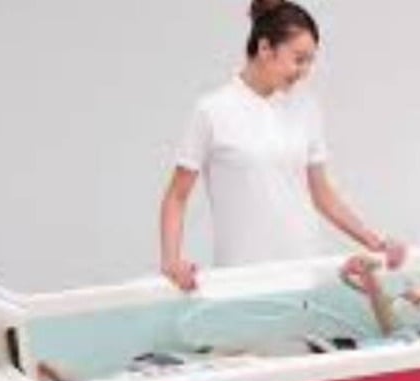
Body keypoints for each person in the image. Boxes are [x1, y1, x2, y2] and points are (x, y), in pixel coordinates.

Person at [160, 0, 406, 291]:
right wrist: (172, 261)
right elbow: (177, 196)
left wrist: (375, 242)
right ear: (265, 48)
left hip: (304, 275)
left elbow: (322, 194)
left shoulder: (306, 108)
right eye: (299, 59)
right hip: (242, 279)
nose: (305, 71)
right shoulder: (212, 110)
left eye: (310, 61)